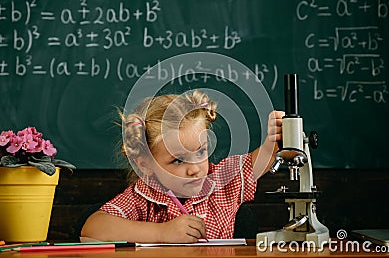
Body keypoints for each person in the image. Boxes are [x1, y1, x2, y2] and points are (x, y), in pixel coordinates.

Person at [81, 90, 284, 243]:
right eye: (178, 160)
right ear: (145, 165)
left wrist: (276, 138)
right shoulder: (142, 197)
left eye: (201, 152)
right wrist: (162, 232)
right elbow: (92, 228)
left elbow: (268, 154)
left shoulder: (222, 182)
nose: (195, 168)